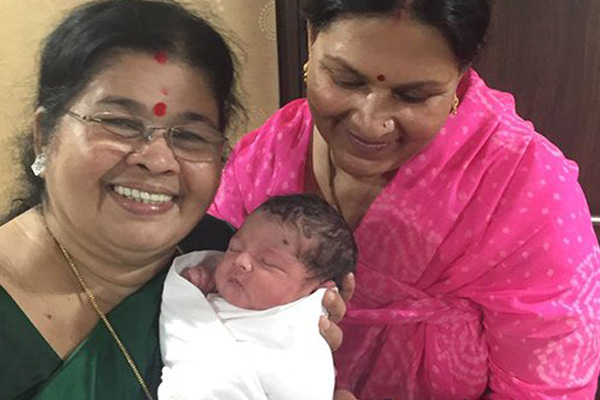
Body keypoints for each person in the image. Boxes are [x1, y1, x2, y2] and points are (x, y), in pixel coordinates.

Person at [209, 0, 600, 399]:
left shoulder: (526, 188)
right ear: (311, 39)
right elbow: (202, 286)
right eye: (346, 80)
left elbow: (550, 391)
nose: (370, 122)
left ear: (461, 74)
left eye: (413, 96)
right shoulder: (271, 152)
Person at [0, 2, 350, 400]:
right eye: (119, 123)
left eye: (189, 136)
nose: (157, 160)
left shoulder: (218, 251)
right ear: (44, 135)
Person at [159, 194, 357, 400]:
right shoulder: (213, 274)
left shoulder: (297, 351)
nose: (241, 261)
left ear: (315, 290)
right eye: (234, 248)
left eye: (268, 262)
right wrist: (197, 288)